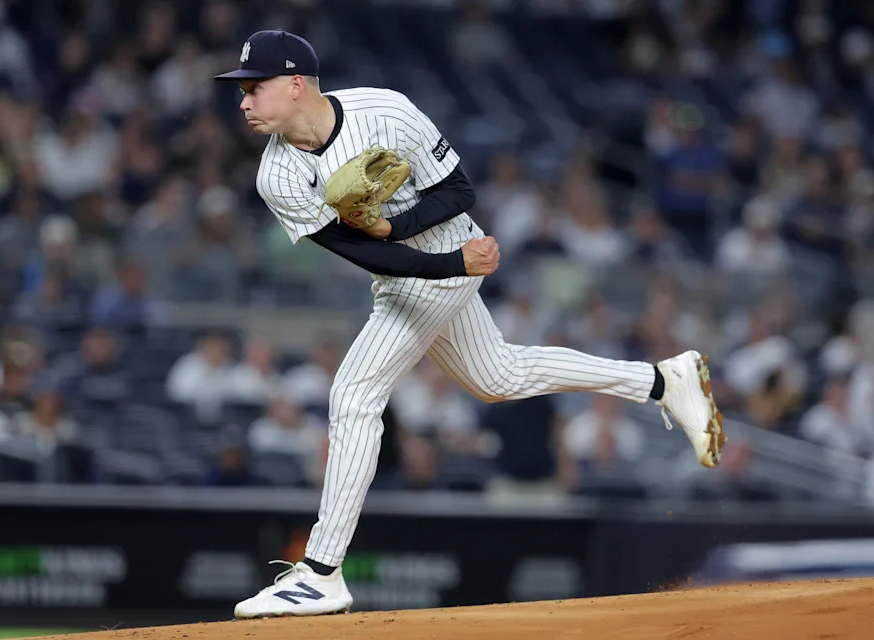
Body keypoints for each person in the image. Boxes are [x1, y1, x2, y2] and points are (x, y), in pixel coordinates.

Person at [216, 29, 725, 619]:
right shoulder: (275, 175)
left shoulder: (385, 110)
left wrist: (437, 253)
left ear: (297, 83)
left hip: (452, 250)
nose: (245, 101)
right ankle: (664, 380)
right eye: (243, 91)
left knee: (354, 394)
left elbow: (459, 189)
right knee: (499, 377)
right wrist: (407, 245)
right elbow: (368, 255)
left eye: (256, 87)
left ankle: (323, 571)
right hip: (417, 270)